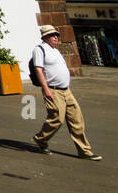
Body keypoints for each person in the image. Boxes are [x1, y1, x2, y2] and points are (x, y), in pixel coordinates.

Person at [30, 24, 102, 160]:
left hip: (66, 91)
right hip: (53, 90)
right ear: (45, 36)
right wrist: (45, 89)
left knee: (76, 119)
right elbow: (38, 69)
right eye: (52, 35)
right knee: (56, 118)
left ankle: (84, 151)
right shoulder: (39, 49)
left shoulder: (55, 51)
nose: (56, 37)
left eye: (57, 35)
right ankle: (40, 139)